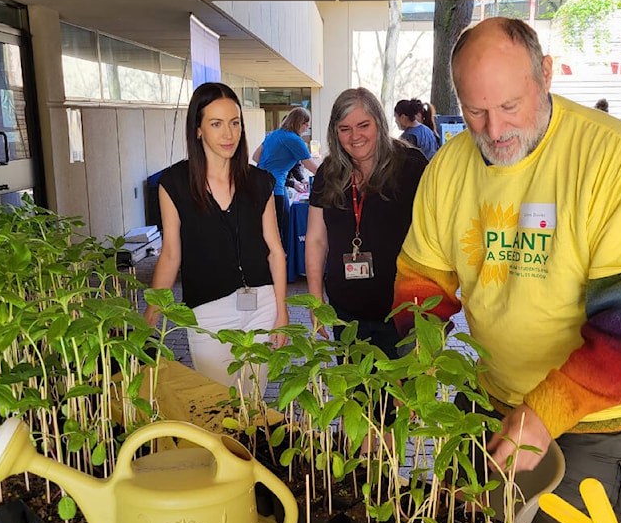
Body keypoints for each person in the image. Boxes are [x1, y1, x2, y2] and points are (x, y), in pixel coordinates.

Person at [391, 17, 621, 523]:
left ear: (545, 74)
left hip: (603, 418)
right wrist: (410, 382)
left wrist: (542, 414)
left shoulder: (614, 160)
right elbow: (421, 286)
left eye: (509, 106)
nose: (494, 131)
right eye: (476, 112)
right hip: (496, 399)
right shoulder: (449, 167)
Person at [144, 82, 289, 391]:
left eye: (235, 123)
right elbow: (171, 255)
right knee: (218, 403)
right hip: (208, 311)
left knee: (254, 404)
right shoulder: (174, 183)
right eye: (216, 124)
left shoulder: (260, 181)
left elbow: (275, 251)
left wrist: (282, 312)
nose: (229, 134)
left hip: (262, 306)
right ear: (198, 129)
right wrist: (149, 318)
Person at [306, 87, 428, 361]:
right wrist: (315, 301)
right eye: (345, 128)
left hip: (404, 315)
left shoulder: (410, 165)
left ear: (380, 123)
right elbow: (316, 239)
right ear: (335, 132)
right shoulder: (328, 172)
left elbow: (435, 235)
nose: (355, 136)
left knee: (402, 402)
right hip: (347, 316)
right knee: (354, 399)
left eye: (363, 125)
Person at [253, 108, 319, 246]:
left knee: (266, 230)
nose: (306, 129)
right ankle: (283, 264)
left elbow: (256, 157)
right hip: (275, 188)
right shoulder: (294, 139)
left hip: (259, 185)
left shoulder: (273, 134)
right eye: (306, 125)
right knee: (280, 232)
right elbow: (312, 167)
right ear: (300, 123)